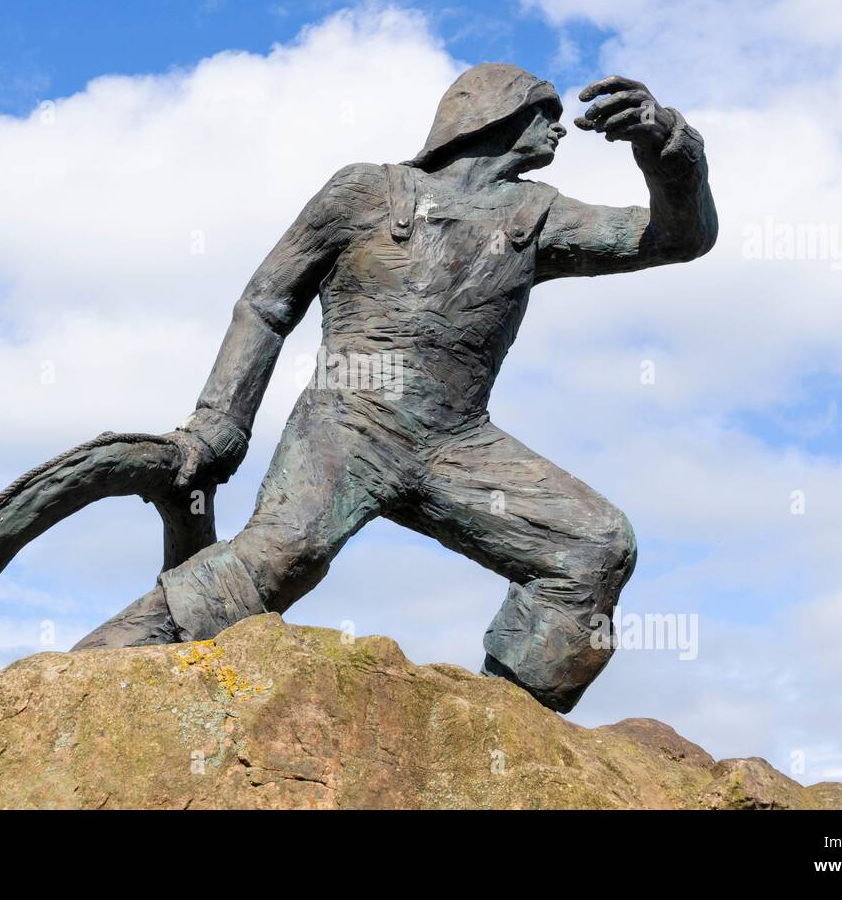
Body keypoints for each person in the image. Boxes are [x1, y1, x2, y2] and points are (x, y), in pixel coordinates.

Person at [74, 63, 717, 713]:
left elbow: (676, 238)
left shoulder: (537, 213)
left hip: (457, 444)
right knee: (279, 555)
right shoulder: (365, 193)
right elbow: (268, 303)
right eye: (542, 111)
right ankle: (68, 683)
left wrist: (667, 147)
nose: (560, 128)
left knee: (593, 546)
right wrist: (219, 423)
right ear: (493, 115)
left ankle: (499, 729)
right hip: (347, 423)